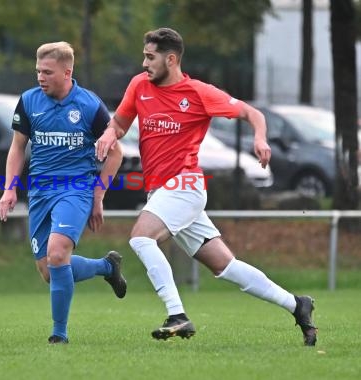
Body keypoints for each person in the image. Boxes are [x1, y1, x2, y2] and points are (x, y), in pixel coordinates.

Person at [95, 27, 317, 346]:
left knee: (141, 238)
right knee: (225, 266)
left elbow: (250, 112)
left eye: (150, 56)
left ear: (171, 59)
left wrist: (259, 137)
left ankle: (177, 315)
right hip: (162, 192)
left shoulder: (198, 93)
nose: (144, 63)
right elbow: (120, 123)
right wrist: (108, 134)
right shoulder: (139, 85)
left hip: (185, 186)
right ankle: (297, 305)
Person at [0, 41, 127, 344]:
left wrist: (98, 196)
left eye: (47, 72)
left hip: (76, 189)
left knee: (58, 255)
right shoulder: (29, 101)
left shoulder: (88, 105)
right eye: (38, 71)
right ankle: (106, 267)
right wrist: (9, 189)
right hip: (40, 192)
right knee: (48, 270)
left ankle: (59, 334)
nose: (40, 77)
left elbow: (116, 153)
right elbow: (17, 147)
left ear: (67, 72)